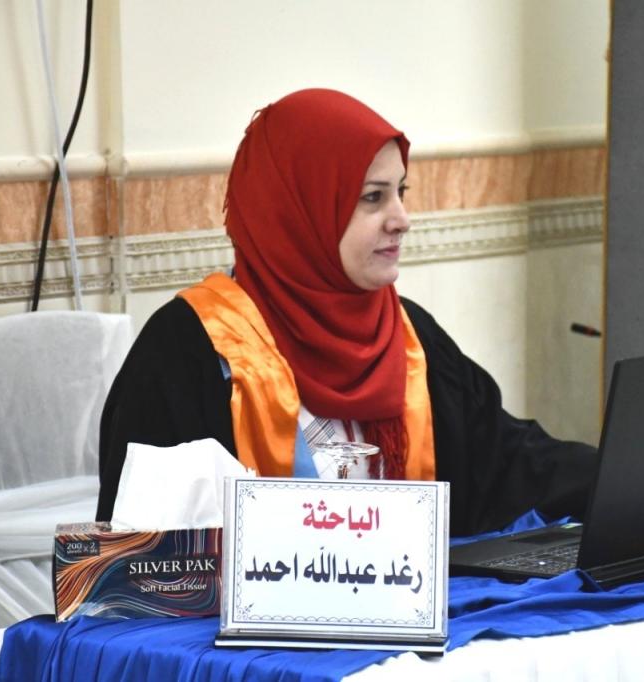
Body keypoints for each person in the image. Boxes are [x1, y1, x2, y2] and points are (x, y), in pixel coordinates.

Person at [96, 89, 598, 537]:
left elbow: (510, 465)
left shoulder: (409, 335)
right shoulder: (189, 350)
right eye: (372, 198)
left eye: (401, 192)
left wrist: (622, 477)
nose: (401, 219)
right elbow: (142, 556)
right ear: (299, 211)